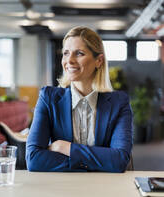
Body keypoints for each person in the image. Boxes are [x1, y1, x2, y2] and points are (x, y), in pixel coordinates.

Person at [26, 26, 133, 172]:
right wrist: (98, 163)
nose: (69, 60)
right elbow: (34, 160)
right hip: (59, 189)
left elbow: (119, 160)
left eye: (79, 53)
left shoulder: (119, 103)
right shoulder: (48, 98)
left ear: (99, 61)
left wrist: (65, 147)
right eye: (66, 53)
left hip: (105, 189)